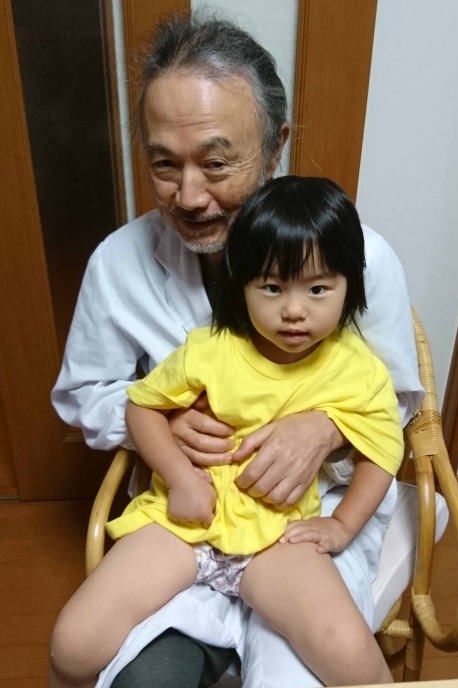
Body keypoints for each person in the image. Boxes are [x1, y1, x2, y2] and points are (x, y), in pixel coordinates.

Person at [50, 12, 423, 688]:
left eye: (217, 163)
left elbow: (394, 405)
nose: (190, 196)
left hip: (304, 524)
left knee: (310, 668)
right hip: (185, 516)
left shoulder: (359, 258)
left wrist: (325, 428)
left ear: (276, 146)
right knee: (125, 672)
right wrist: (162, 429)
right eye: (164, 165)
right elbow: (87, 395)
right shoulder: (119, 265)